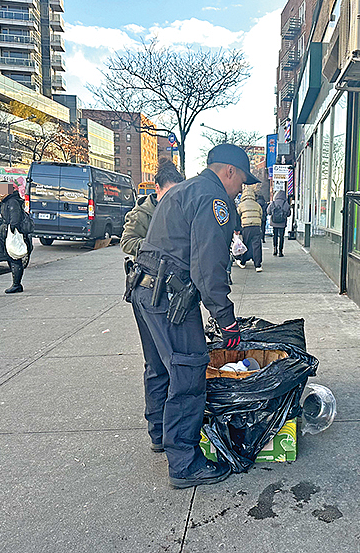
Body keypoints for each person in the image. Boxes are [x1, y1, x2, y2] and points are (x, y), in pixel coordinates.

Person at [132, 143, 260, 489]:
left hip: (144, 292)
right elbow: (209, 267)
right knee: (188, 374)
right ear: (229, 171)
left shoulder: (184, 189)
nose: (240, 190)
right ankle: (184, 463)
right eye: (241, 182)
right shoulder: (214, 199)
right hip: (171, 298)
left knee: (159, 368)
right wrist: (226, 319)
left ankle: (160, 433)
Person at [120, 158, 184, 257]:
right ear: (157, 188)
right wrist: (154, 244)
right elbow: (127, 242)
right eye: (169, 193)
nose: (174, 197)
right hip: (151, 269)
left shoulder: (183, 210)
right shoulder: (141, 214)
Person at [0, 190, 33, 294]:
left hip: (11, 233)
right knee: (11, 257)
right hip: (7, 232)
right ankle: (16, 284)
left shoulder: (12, 201)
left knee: (14, 258)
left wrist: (11, 230)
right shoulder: (7, 200)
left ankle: (16, 284)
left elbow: (15, 219)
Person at [236, 185, 263, 272]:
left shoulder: (241, 205)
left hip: (246, 227)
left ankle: (243, 262)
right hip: (256, 226)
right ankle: (258, 265)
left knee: (246, 244)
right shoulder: (257, 204)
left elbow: (237, 215)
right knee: (257, 245)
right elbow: (261, 214)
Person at [267, 190, 290, 257]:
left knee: (275, 236)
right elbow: (288, 214)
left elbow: (268, 211)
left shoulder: (273, 203)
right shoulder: (285, 203)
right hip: (282, 223)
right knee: (281, 237)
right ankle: (280, 251)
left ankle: (275, 249)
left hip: (274, 222)